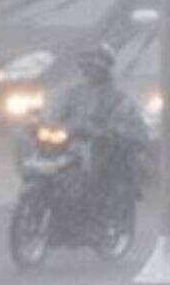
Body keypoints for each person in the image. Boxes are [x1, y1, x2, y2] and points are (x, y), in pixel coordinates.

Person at [52, 43, 148, 224]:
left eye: (96, 66)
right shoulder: (73, 93)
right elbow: (56, 115)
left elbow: (133, 128)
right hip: (72, 149)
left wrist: (107, 132)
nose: (91, 70)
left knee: (94, 171)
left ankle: (95, 215)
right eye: (88, 66)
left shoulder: (119, 98)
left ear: (106, 68)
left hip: (102, 153)